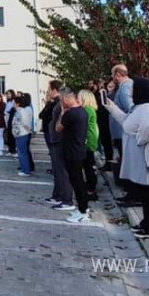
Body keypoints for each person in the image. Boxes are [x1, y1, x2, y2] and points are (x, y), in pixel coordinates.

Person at [103, 77, 149, 238]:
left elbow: (147, 128)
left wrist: (139, 139)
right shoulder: (139, 108)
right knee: (145, 194)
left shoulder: (148, 109)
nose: (130, 91)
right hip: (138, 157)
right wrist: (112, 107)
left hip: (146, 157)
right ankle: (148, 222)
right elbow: (126, 121)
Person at [55, 89, 91, 223]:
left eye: (62, 100)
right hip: (79, 149)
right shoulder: (83, 111)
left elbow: (58, 128)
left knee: (77, 181)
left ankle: (83, 211)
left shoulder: (70, 114)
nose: (62, 103)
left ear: (66, 99)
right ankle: (83, 208)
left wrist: (63, 112)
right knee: (79, 181)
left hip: (72, 151)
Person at [39, 80, 74, 209]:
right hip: (55, 139)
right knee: (57, 170)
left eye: (49, 89)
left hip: (59, 140)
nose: (48, 91)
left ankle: (66, 199)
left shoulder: (61, 104)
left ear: (55, 90)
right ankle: (57, 195)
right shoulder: (55, 103)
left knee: (62, 171)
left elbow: (61, 122)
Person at [108, 65, 134, 176]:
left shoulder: (124, 88)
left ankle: (127, 185)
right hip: (121, 130)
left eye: (112, 74)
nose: (112, 77)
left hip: (122, 130)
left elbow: (130, 108)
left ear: (118, 74)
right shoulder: (126, 86)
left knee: (125, 159)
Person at [78, 89, 100, 201]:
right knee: (89, 165)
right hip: (90, 139)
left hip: (87, 140)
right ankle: (90, 188)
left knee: (88, 166)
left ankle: (90, 190)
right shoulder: (91, 110)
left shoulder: (86, 110)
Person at [94, 80, 114, 172]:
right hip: (102, 120)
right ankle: (108, 161)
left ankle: (109, 162)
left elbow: (105, 106)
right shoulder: (102, 94)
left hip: (105, 120)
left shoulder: (106, 94)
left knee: (107, 142)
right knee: (105, 142)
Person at [12, 95, 33, 177]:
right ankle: (24, 168)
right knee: (22, 152)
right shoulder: (21, 110)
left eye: (14, 103)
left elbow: (23, 123)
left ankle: (26, 170)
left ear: (18, 104)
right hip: (21, 134)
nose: (13, 104)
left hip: (21, 134)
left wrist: (27, 130)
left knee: (22, 153)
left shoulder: (21, 111)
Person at [5, 90, 17, 156]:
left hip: (12, 120)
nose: (8, 95)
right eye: (7, 94)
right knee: (8, 136)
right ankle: (10, 150)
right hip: (7, 119)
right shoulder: (8, 102)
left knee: (12, 136)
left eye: (9, 94)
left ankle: (14, 150)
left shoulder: (13, 102)